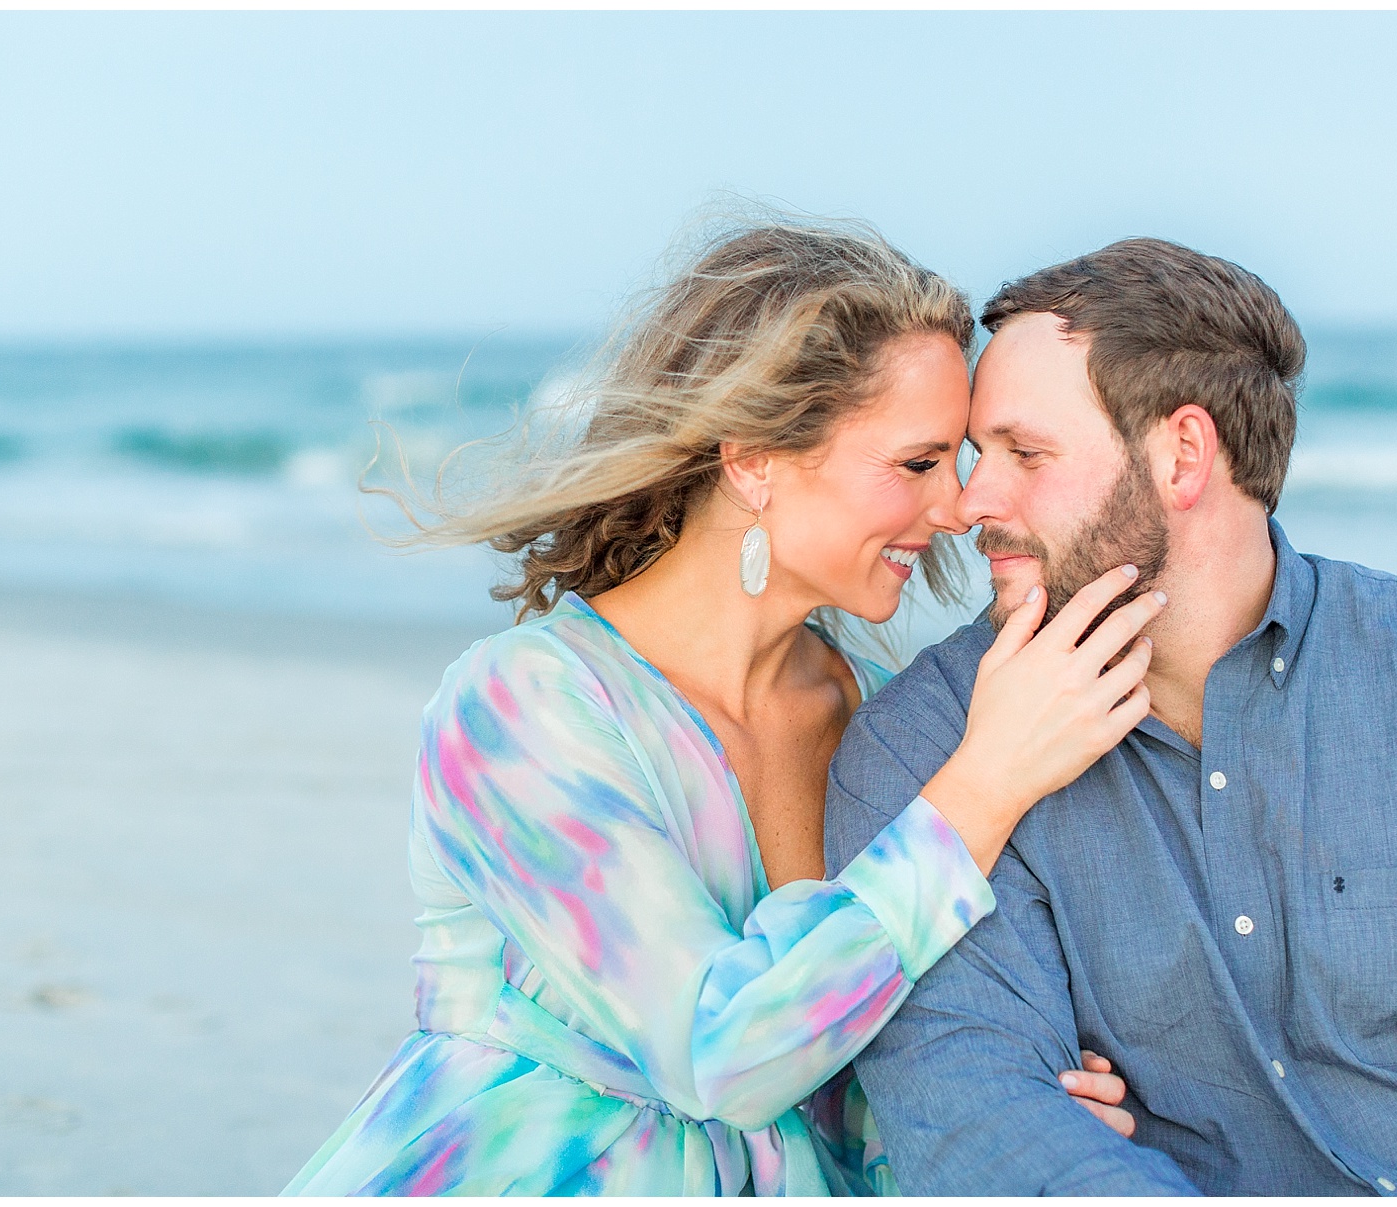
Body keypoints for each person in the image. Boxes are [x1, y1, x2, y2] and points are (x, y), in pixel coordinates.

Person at [282, 219, 1159, 1196]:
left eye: (954, 463)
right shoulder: (522, 709)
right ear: (754, 462)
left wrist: (1009, 1100)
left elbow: (854, 1054)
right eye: (917, 464)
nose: (957, 508)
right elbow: (722, 1050)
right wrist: (986, 785)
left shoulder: (876, 718)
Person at [824, 237, 1397, 1196]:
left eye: (1024, 454)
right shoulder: (922, 750)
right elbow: (986, 1124)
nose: (967, 503)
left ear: (1183, 454)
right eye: (973, 455)